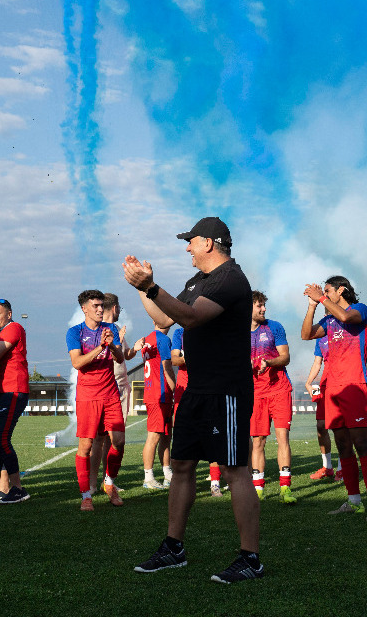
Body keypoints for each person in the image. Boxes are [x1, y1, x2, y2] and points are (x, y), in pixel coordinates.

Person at [126, 216, 263, 583]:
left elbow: (190, 317)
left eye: (191, 241)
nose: (187, 247)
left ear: (208, 242)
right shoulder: (198, 281)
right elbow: (165, 319)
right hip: (197, 389)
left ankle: (250, 558)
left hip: (227, 390)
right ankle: (174, 548)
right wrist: (143, 288)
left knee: (235, 471)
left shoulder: (230, 278)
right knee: (183, 465)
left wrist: (152, 286)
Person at [300, 276, 367, 521]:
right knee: (343, 445)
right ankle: (354, 500)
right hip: (332, 390)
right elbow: (306, 334)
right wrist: (313, 306)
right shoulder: (327, 319)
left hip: (354, 385)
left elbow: (346, 317)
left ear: (341, 290)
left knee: (360, 443)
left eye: (327, 291)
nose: (324, 295)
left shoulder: (359, 310)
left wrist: (321, 298)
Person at [67, 289, 127, 510]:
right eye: (96, 306)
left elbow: (119, 358)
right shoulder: (74, 332)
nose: (101, 309)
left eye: (102, 305)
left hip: (110, 392)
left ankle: (109, 483)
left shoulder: (110, 329)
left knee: (118, 441)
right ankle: (85, 496)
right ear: (84, 308)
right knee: (86, 445)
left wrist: (111, 345)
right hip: (88, 395)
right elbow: (77, 363)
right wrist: (99, 348)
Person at [248, 291, 296, 504]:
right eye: (259, 306)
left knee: (282, 437)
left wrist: (270, 362)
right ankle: (258, 488)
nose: (263, 309)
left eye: (264, 305)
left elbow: (285, 357)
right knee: (258, 441)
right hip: (255, 393)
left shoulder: (274, 326)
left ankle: (285, 488)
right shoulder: (236, 332)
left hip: (279, 390)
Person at [0, 298, 32, 503]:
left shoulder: (14, 327)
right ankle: (3, 486)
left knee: (1, 439)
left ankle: (17, 488)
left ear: (9, 314)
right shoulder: (2, 333)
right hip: (1, 391)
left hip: (13, 390)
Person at [100, 293, 134, 494]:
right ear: (114, 308)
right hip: (110, 388)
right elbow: (117, 358)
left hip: (117, 386)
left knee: (107, 439)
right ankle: (97, 483)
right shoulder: (106, 330)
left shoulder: (115, 330)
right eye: (119, 306)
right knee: (102, 438)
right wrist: (116, 344)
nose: (120, 310)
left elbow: (124, 355)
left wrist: (132, 348)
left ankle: (107, 479)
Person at [134, 324, 175, 490]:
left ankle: (168, 474)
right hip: (160, 393)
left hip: (155, 392)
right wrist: (175, 390)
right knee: (154, 436)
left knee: (166, 436)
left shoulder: (148, 339)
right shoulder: (163, 339)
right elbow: (167, 367)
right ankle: (148, 477)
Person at [303, 330, 337, 480]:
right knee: (321, 426)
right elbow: (318, 362)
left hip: (341, 382)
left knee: (339, 427)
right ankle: (327, 467)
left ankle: (342, 468)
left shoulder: (344, 331)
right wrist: (309, 382)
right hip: (325, 385)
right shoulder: (321, 338)